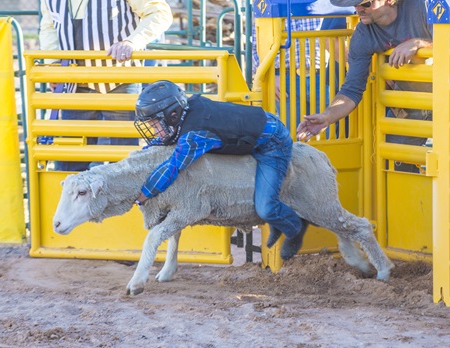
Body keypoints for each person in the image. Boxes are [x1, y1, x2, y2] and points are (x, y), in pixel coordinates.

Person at [133, 80, 307, 261]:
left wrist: (145, 193)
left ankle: (295, 228)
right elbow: (168, 141)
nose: (153, 131)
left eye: (155, 125)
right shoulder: (185, 112)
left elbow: (173, 166)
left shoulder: (195, 135)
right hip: (249, 137)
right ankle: (278, 223)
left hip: (272, 143)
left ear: (173, 115)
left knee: (265, 208)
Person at [297, 0, 432, 173]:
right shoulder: (363, 33)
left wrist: (418, 43)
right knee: (391, 159)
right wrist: (327, 117)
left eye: (365, 4)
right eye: (355, 4)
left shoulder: (423, 6)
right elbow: (351, 90)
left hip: (442, 96)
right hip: (413, 103)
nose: (358, 9)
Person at [39, 0, 172, 171]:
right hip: (74, 83)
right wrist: (53, 65)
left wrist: (132, 42)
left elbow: (160, 13)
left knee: (123, 155)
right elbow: (50, 27)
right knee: (71, 158)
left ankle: (123, 196)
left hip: (120, 80)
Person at [252, 17, 326, 126]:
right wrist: (271, 75)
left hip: (324, 75)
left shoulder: (325, 4)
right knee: (292, 133)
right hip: (284, 78)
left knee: (331, 130)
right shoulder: (268, 4)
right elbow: (257, 47)